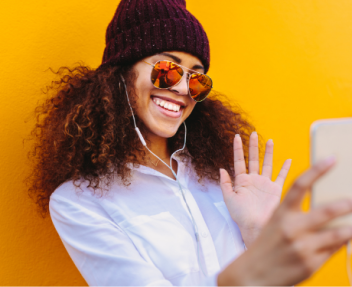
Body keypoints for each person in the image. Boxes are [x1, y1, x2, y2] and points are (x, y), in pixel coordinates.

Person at [26, 0, 352, 285]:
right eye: (167, 70)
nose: (183, 89)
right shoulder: (78, 201)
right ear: (120, 74)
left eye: (197, 79)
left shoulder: (224, 180)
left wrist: (257, 233)